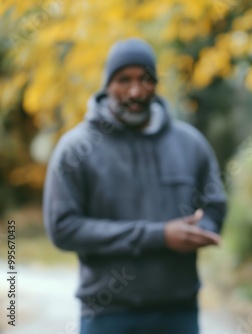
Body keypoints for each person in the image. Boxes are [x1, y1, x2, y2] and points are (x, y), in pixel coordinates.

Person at [43, 38, 227, 334]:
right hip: (107, 314)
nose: (135, 90)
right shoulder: (76, 149)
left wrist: (201, 228)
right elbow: (63, 227)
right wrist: (160, 236)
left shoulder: (189, 143)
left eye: (146, 79)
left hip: (178, 312)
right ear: (106, 85)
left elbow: (214, 204)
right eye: (123, 80)